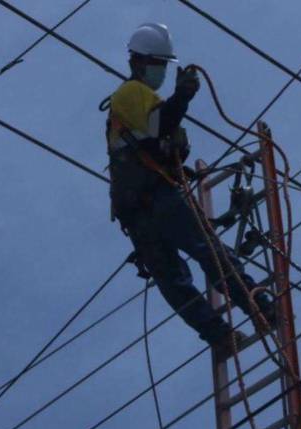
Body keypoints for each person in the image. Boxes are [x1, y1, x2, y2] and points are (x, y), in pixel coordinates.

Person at [105, 23, 275, 352]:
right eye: (159, 65)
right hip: (158, 201)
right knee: (208, 252)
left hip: (138, 214)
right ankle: (259, 306)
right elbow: (160, 125)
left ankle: (221, 336)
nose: (162, 73)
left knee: (175, 283)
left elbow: (151, 144)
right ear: (141, 63)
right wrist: (182, 95)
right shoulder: (132, 93)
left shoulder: (131, 107)